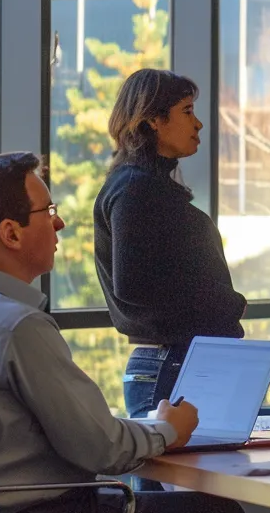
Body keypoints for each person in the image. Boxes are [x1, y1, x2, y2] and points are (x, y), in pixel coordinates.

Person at [0, 152, 251, 513]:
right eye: (48, 210)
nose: (59, 222)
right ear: (11, 234)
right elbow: (101, 449)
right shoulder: (16, 327)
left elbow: (58, 429)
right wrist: (170, 428)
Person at [95, 69, 248, 420]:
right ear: (153, 120)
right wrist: (228, 303)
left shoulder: (147, 186)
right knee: (170, 476)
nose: (199, 124)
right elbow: (134, 285)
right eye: (187, 111)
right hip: (171, 364)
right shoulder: (135, 188)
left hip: (180, 361)